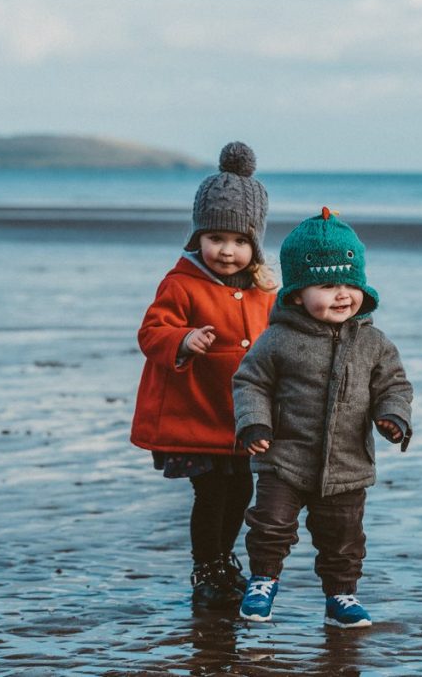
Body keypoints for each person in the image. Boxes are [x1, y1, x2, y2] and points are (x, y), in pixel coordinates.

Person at [232, 207, 413, 628]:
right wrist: (254, 423)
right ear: (297, 293)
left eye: (350, 284)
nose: (342, 295)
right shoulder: (278, 339)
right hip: (284, 458)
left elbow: (395, 386)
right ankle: (262, 581)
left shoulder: (374, 343)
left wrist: (393, 416)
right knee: (271, 525)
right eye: (327, 285)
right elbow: (250, 381)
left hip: (348, 463)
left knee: (343, 538)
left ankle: (342, 598)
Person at [130, 142, 276, 610]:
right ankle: (207, 566)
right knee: (211, 493)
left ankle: (222, 558)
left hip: (239, 416)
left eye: (238, 242)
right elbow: (152, 332)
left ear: (254, 243)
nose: (226, 251)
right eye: (216, 239)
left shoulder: (263, 289)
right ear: (198, 238)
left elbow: (278, 338)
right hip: (195, 413)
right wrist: (183, 340)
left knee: (242, 490)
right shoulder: (181, 282)